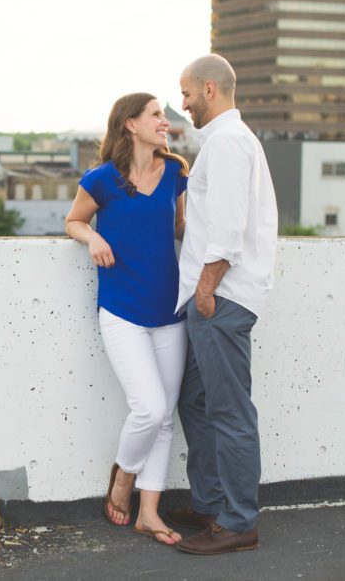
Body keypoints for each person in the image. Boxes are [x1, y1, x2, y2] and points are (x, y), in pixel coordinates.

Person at [65, 92, 190, 547]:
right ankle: (124, 478)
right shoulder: (101, 179)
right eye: (157, 115)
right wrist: (90, 238)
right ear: (130, 125)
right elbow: (74, 220)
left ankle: (149, 514)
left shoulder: (176, 171)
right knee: (149, 408)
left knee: (164, 418)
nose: (166, 122)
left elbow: (178, 227)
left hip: (169, 311)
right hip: (121, 310)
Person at [165, 54, 278, 555]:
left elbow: (230, 230)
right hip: (210, 295)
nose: (182, 103)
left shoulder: (229, 143)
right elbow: (216, 220)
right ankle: (212, 502)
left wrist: (207, 289)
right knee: (195, 398)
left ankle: (237, 522)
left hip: (221, 298)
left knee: (230, 412)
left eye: (186, 93)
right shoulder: (224, 143)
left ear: (209, 89)